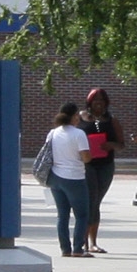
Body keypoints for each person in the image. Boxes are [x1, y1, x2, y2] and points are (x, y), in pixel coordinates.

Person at [45, 103, 92, 258]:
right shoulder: (79, 134)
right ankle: (78, 248)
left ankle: (65, 249)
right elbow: (86, 157)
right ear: (73, 116)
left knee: (62, 215)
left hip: (55, 177)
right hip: (74, 177)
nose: (78, 118)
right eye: (77, 115)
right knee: (82, 214)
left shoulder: (53, 133)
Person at [79, 88, 124, 253]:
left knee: (96, 201)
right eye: (95, 99)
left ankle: (93, 242)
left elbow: (121, 145)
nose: (98, 103)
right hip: (87, 165)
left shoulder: (112, 121)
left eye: (102, 100)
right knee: (90, 200)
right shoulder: (81, 118)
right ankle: (82, 241)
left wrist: (110, 145)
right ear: (89, 102)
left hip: (105, 165)